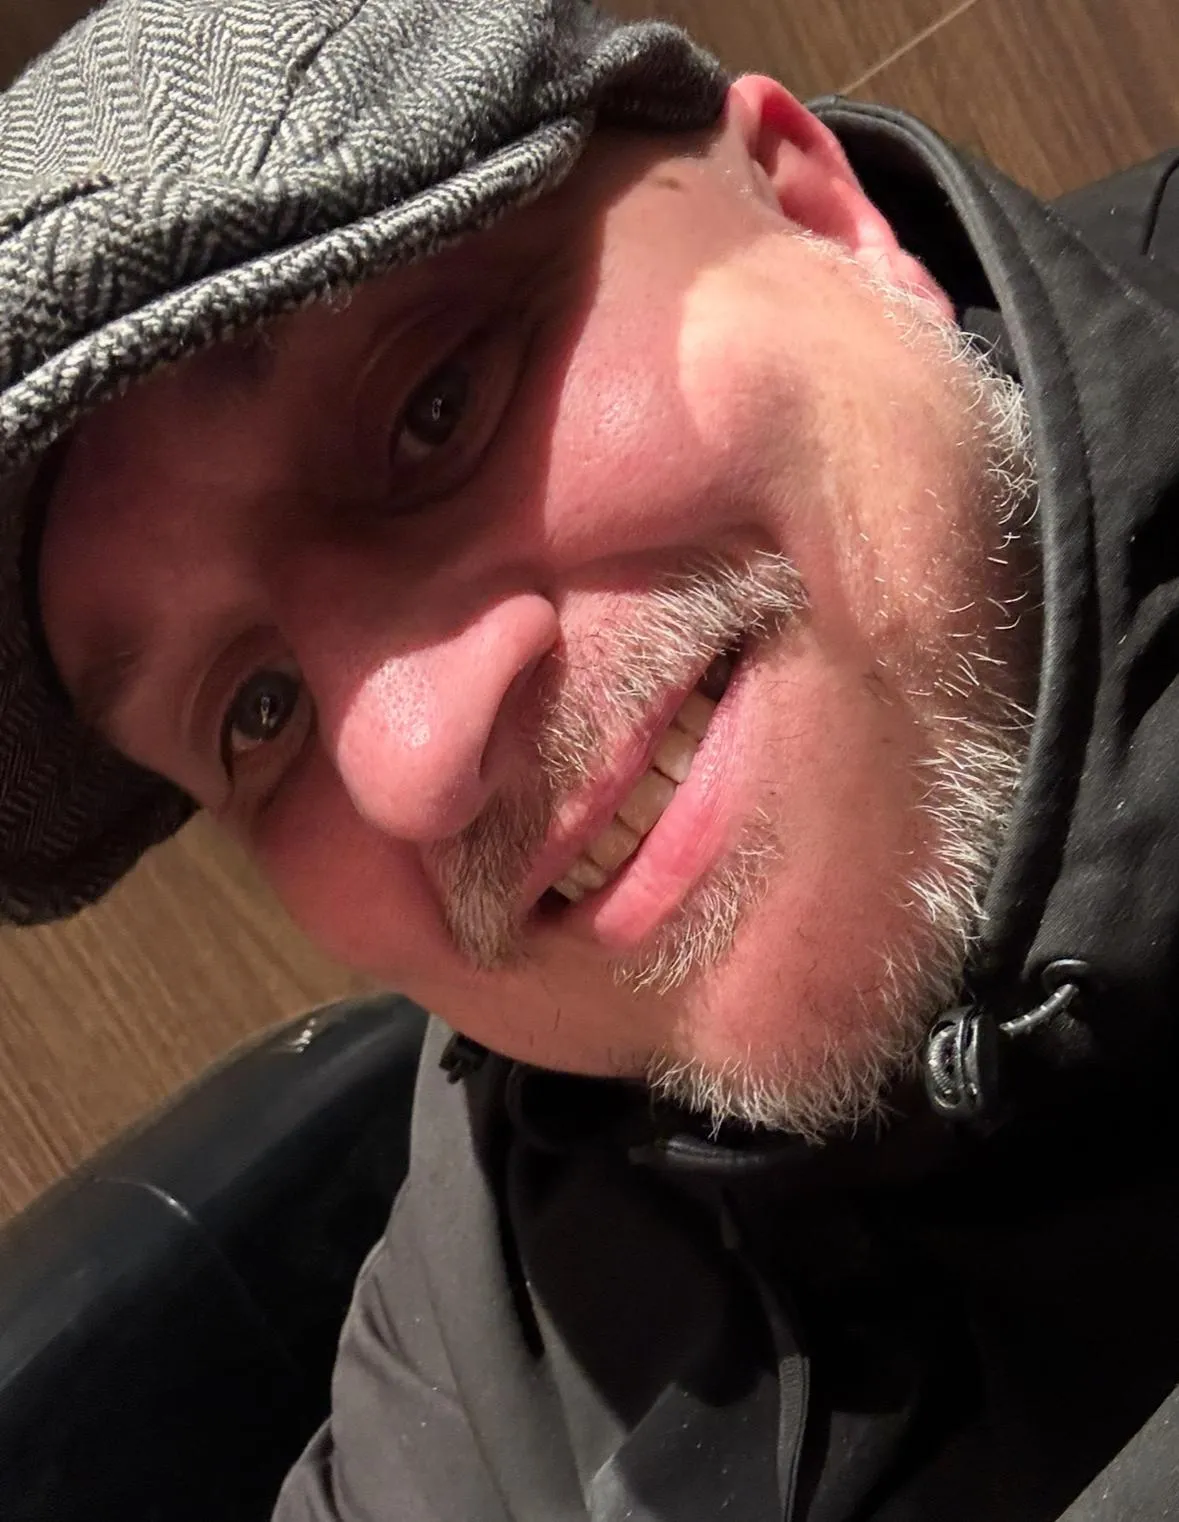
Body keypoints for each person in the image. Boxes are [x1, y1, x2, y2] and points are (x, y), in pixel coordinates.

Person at [3, 0, 1179, 1516]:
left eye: (435, 408)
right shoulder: (490, 1291)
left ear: (815, 204)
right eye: (258, 711)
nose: (414, 764)